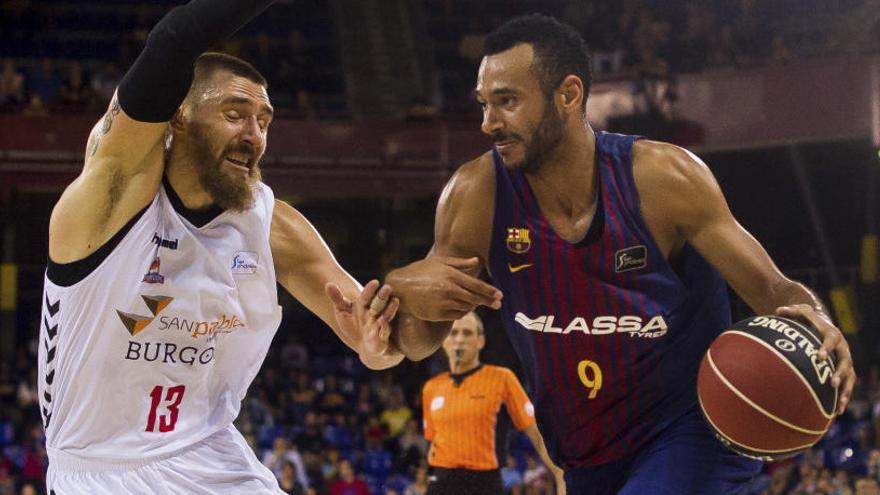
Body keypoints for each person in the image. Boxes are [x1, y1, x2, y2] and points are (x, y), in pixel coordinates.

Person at [385, 14, 856, 495]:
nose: (489, 122)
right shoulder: (474, 195)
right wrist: (400, 286)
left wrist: (816, 318)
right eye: (484, 104)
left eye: (507, 101)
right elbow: (421, 342)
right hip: (585, 453)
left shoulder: (663, 179)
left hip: (689, 433)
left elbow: (773, 289)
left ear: (568, 95)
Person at [36, 0, 494, 492]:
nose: (253, 136)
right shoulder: (111, 198)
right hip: (101, 469)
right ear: (179, 119)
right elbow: (172, 42)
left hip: (211, 455)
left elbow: (373, 343)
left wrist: (377, 342)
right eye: (235, 114)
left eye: (264, 122)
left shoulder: (269, 223)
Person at [421, 312, 563, 495]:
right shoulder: (431, 388)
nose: (459, 339)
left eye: (467, 333)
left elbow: (535, 432)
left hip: (484, 482)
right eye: (454, 333)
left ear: (480, 341)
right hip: (441, 482)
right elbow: (432, 443)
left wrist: (559, 474)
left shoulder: (502, 378)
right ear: (443, 341)